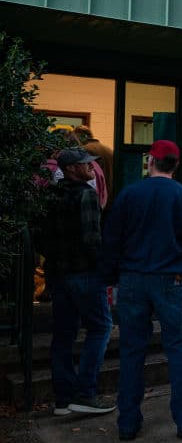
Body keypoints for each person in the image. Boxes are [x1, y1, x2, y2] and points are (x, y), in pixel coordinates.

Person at [101, 140, 182, 441]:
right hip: (173, 280)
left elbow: (112, 239)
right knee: (178, 351)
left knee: (132, 351)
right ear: (176, 164)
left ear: (150, 162)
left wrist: (111, 276)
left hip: (133, 279)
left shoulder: (129, 195)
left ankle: (128, 422)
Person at [33, 148, 114, 416]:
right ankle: (85, 392)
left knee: (64, 334)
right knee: (101, 326)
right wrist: (104, 269)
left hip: (58, 275)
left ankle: (63, 399)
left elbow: (41, 238)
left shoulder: (50, 197)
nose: (92, 167)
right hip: (84, 274)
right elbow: (92, 239)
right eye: (85, 164)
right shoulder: (86, 195)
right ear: (71, 169)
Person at [74, 125, 114, 195]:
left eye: (75, 138)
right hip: (110, 193)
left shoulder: (83, 150)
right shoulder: (109, 150)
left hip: (94, 194)